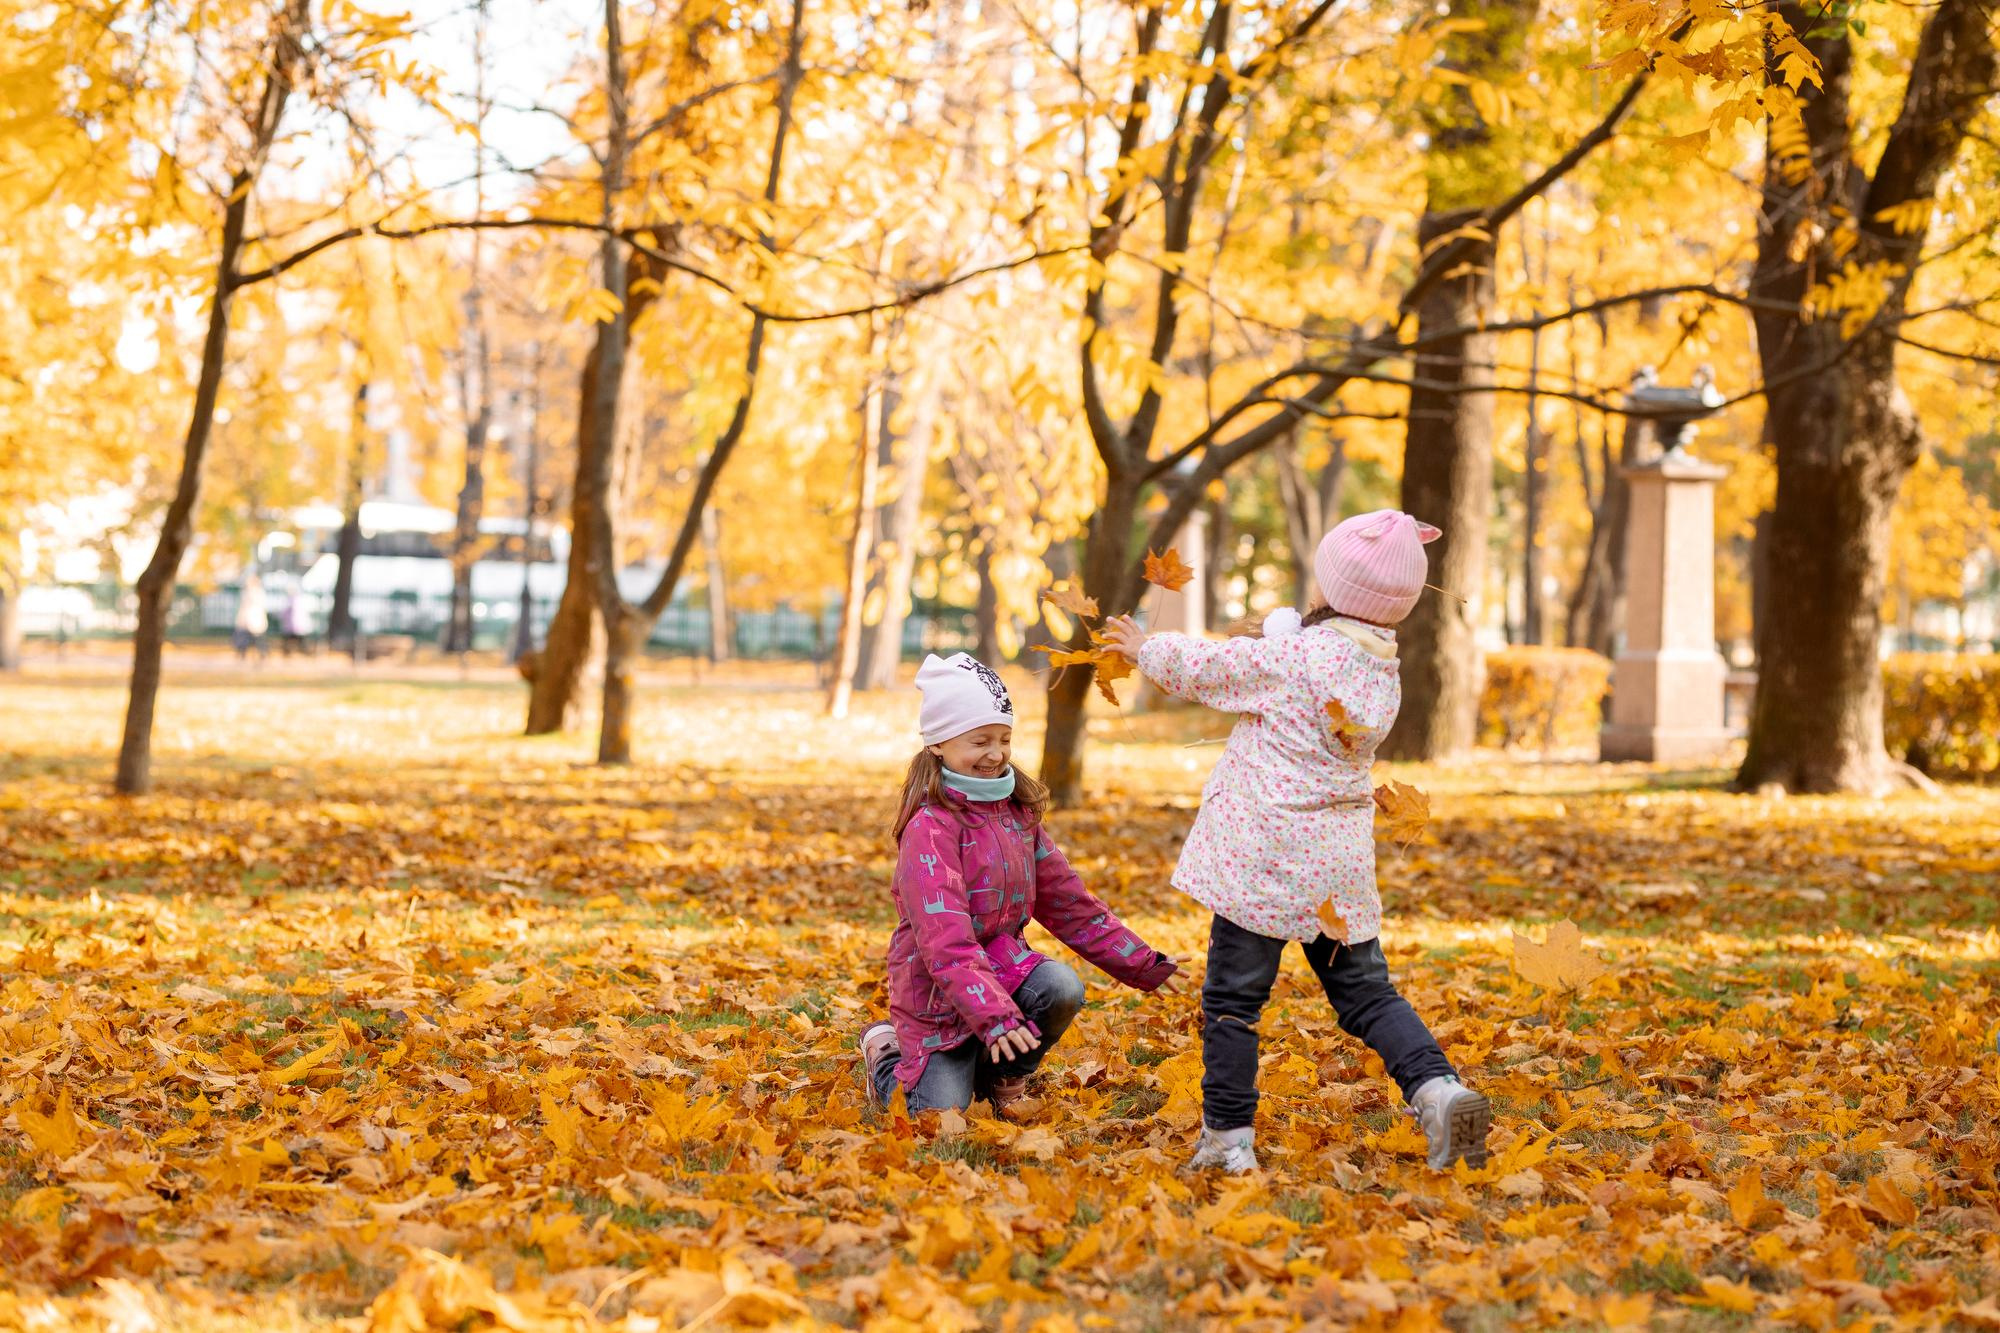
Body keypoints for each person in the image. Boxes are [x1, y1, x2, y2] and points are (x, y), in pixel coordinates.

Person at [1103, 509, 1490, 1174]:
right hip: (1335, 864)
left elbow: (1217, 668)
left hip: (1266, 857)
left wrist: (1147, 649)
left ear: (1335, 587)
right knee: (1367, 993)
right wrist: (1290, 630)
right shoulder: (1381, 667)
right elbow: (1306, 667)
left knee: (1233, 1001)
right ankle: (1438, 1089)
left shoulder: (1295, 657)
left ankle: (1228, 1139)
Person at [859, 653, 1182, 1118]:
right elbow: (946, 944)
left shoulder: (1017, 816)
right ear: (938, 743)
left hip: (1002, 976)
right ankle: (887, 1056)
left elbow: (1070, 903)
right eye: (979, 741)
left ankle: (1002, 1074)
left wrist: (1142, 963)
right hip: (937, 999)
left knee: (1060, 986)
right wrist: (995, 1016)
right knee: (942, 1116)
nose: (996, 754)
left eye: (1004, 739)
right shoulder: (930, 829)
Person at [233, 574, 269, 661]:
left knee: (257, 638)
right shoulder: (247, 593)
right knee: (245, 637)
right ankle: (243, 652)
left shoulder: (257, 593)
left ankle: (261, 652)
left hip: (255, 618)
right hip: (248, 619)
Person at [280, 589, 313, 656]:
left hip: (294, 626)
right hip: (298, 626)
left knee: (293, 639)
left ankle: (288, 651)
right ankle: (289, 651)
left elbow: (284, 614)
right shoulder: (300, 600)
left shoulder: (290, 602)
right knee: (298, 640)